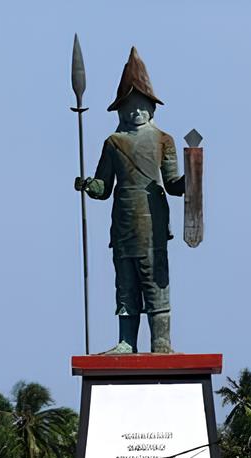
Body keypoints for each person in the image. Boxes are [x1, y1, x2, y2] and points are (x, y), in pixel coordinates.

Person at [75, 47, 184, 354]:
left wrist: (192, 182)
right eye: (130, 106)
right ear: (121, 110)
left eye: (141, 105)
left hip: (153, 221)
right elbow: (103, 186)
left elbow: (174, 184)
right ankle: (127, 341)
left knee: (154, 278)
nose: (136, 112)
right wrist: (87, 185)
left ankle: (161, 341)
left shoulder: (164, 140)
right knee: (125, 282)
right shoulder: (113, 143)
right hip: (123, 221)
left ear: (151, 107)